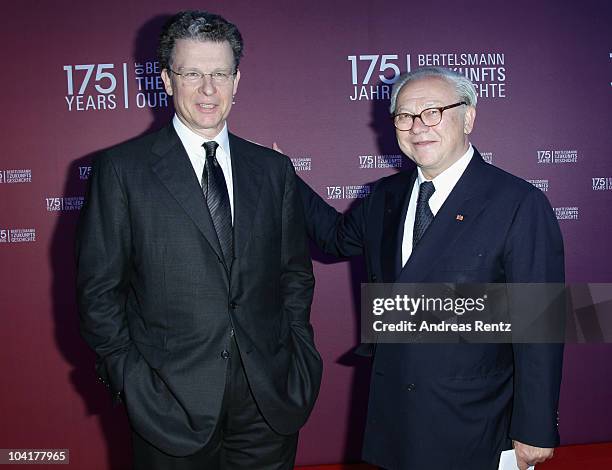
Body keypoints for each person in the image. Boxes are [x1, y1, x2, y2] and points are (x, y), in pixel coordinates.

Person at [76, 10, 321, 470]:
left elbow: (294, 275)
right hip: (167, 404)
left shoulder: (274, 171)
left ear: (237, 80)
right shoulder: (122, 170)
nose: (208, 89)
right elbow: (98, 291)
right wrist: (130, 378)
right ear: (167, 80)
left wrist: (299, 354)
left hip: (269, 403)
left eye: (220, 74)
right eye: (192, 73)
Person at [297, 67, 564, 470]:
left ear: (469, 117)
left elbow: (541, 322)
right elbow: (335, 237)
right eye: (404, 116)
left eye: (433, 111)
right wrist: (282, 177)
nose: (418, 126)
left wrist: (536, 426)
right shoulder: (384, 197)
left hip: (475, 421)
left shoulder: (518, 203)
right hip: (396, 417)